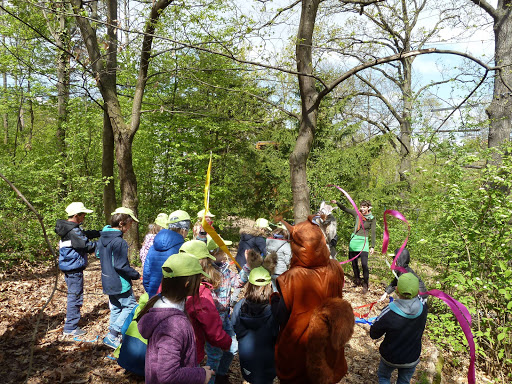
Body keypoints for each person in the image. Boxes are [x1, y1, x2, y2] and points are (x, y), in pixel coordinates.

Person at [271, 215, 354, 384]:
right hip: (328, 346)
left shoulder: (291, 278)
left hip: (298, 350)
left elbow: (281, 316)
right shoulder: (336, 267)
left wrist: (274, 300)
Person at [137, 253, 214, 384]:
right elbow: (168, 375)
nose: (200, 283)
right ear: (188, 283)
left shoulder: (159, 304)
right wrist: (201, 375)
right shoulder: (174, 325)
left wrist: (195, 370)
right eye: (198, 279)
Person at [205, 235, 251, 384]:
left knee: (233, 348)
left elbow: (238, 282)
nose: (226, 253)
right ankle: (210, 380)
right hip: (211, 321)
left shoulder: (226, 269)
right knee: (214, 355)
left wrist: (248, 266)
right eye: (223, 250)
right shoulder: (206, 273)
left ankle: (220, 374)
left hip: (225, 318)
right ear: (215, 253)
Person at [180, 240, 232, 364]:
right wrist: (226, 342)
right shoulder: (200, 292)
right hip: (190, 351)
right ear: (202, 263)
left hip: (168, 348)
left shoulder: (169, 281)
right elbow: (213, 330)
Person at [370, 273, 428, 384]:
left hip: (390, 357)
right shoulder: (423, 308)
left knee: (383, 376)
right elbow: (421, 299)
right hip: (411, 357)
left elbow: (374, 334)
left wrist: (375, 323)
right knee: (404, 381)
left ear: (396, 290)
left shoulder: (389, 311)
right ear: (417, 291)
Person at [97, 207, 141, 349]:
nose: (130, 227)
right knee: (130, 306)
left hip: (107, 280)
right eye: (129, 224)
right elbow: (121, 265)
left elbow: (98, 254)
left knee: (116, 307)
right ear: (122, 223)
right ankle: (112, 335)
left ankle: (113, 336)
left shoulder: (103, 237)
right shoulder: (120, 242)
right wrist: (135, 274)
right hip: (119, 282)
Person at [55, 202, 100, 336]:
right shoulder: (73, 231)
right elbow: (87, 246)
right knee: (75, 296)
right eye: (83, 215)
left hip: (70, 266)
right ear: (76, 215)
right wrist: (103, 243)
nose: (84, 217)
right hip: (74, 268)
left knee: (73, 295)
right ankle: (70, 328)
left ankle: (71, 324)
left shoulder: (70, 229)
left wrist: (99, 233)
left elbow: (84, 235)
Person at [231, 265, 279, 384]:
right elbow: (279, 334)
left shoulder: (240, 306)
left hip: (247, 359)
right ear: (269, 285)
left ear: (249, 285)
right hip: (268, 360)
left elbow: (234, 326)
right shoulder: (275, 309)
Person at [331, 199, 376, 293]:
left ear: (368, 208)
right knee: (354, 263)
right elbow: (345, 209)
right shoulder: (357, 214)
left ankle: (366, 284)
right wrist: (337, 202)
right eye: (361, 207)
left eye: (364, 207)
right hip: (354, 241)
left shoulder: (372, 218)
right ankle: (357, 280)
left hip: (363, 242)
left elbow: (373, 232)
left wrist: (372, 246)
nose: (362, 209)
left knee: (364, 264)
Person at [143, 210, 190, 297]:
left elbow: (146, 275)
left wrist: (151, 293)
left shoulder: (153, 247)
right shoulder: (183, 249)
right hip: (173, 297)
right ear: (183, 230)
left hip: (153, 296)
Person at [265, 225, 292, 292]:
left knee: (275, 290)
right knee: (283, 291)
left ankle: (275, 301)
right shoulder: (286, 245)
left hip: (271, 271)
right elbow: (288, 261)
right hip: (281, 272)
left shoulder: (268, 243)